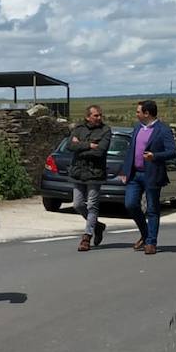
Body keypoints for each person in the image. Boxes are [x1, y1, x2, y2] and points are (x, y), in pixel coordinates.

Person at [117, 100, 176, 256]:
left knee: (152, 209)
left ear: (147, 113)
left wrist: (155, 156)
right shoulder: (137, 128)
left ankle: (151, 242)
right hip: (135, 174)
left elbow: (172, 152)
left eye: (138, 112)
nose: (136, 114)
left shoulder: (163, 130)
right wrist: (125, 170)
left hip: (152, 174)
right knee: (130, 204)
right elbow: (131, 150)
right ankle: (145, 234)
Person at [68, 104, 112, 252]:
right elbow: (70, 146)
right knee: (77, 204)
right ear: (88, 117)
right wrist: (89, 145)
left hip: (95, 173)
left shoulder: (105, 130)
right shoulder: (79, 128)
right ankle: (97, 225)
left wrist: (80, 147)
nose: (99, 118)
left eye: (100, 115)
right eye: (96, 115)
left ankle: (87, 237)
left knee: (92, 205)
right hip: (78, 172)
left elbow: (100, 152)